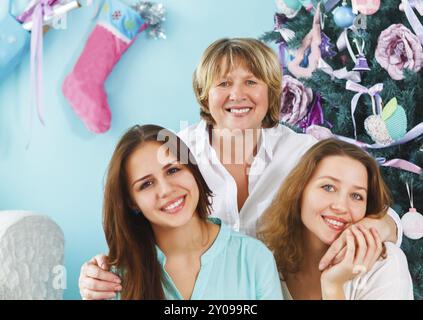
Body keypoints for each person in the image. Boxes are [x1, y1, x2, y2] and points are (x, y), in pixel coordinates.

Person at [79, 38, 402, 299]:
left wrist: (371, 230)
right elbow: (145, 217)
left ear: (270, 92)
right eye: (223, 83)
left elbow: (384, 217)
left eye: (252, 81)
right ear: (205, 96)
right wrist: (99, 274)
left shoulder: (302, 153)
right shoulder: (175, 155)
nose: (238, 94)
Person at [91, 124, 282, 300]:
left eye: (173, 170)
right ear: (132, 202)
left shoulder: (254, 258)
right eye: (146, 184)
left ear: (192, 170)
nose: (166, 190)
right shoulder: (112, 279)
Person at [258, 139, 413, 300]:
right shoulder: (267, 261)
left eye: (356, 196)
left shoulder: (386, 267)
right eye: (328, 187)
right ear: (299, 191)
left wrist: (333, 287)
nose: (341, 206)